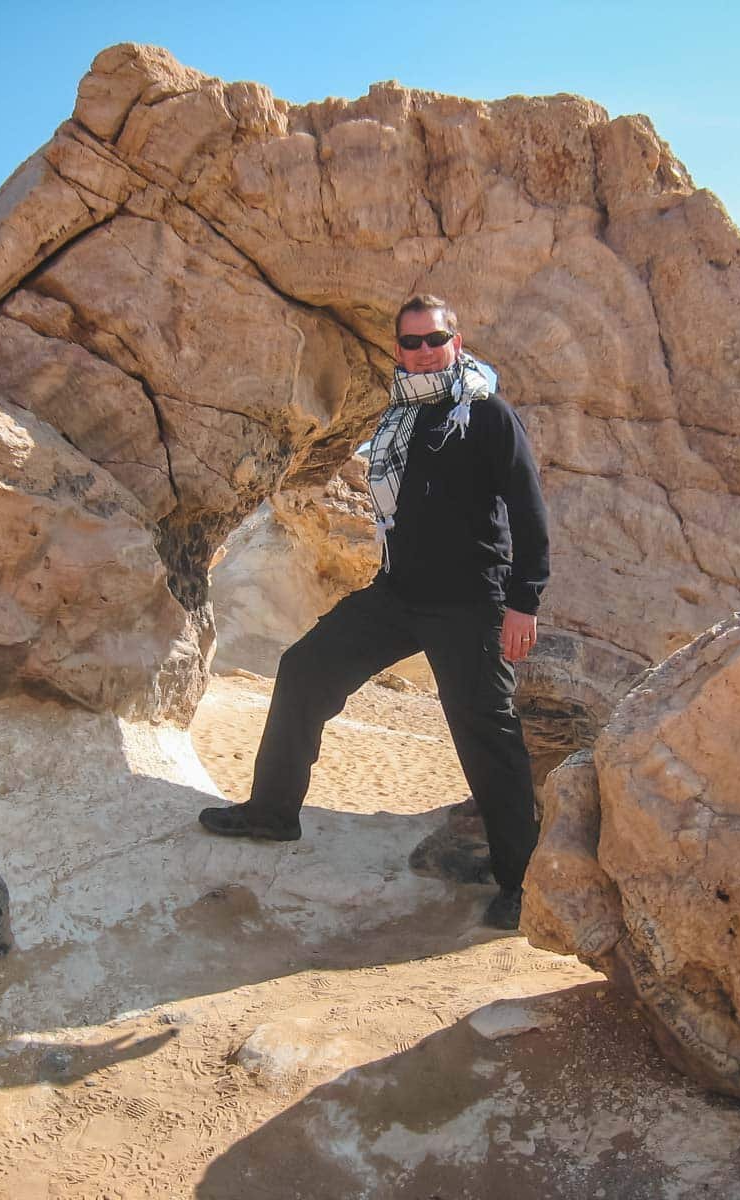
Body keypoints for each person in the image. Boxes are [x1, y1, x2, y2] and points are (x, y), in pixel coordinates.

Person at [198, 294, 550, 931]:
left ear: (456, 341)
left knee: (486, 735)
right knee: (304, 669)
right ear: (398, 350)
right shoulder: (400, 419)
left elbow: (527, 509)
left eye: (433, 340)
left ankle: (521, 882)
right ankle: (273, 813)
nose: (422, 352)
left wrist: (524, 601)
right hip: (396, 594)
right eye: (410, 343)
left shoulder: (487, 413)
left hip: (470, 601)